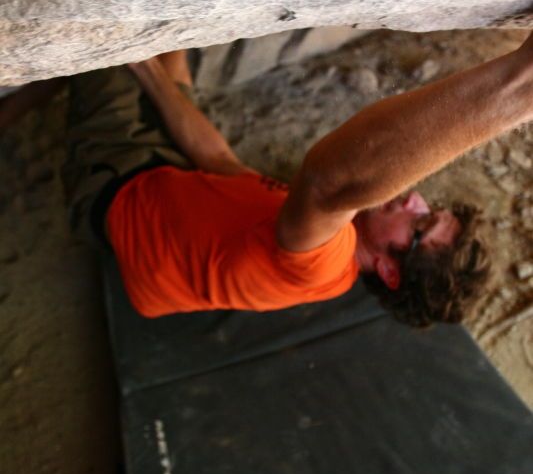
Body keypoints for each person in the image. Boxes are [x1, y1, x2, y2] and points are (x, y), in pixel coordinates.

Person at [62, 33, 532, 327]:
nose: (414, 200)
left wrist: (517, 86)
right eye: (429, 209)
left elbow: (331, 181)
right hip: (174, 180)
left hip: (119, 186)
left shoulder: (323, 261)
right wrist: (161, 55)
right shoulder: (323, 239)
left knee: (104, 29)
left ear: (389, 271)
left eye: (419, 226)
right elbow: (218, 160)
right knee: (166, 38)